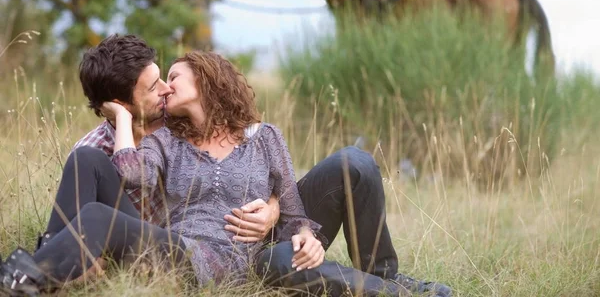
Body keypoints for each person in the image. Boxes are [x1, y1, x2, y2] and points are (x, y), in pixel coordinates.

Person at [0, 51, 451, 296]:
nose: (166, 87)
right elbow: (133, 175)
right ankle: (27, 275)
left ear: (209, 81)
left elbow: (293, 209)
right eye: (159, 83)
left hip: (252, 254)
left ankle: (389, 282)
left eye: (173, 76)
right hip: (189, 253)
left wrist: (294, 225)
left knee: (356, 160)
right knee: (98, 217)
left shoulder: (264, 136)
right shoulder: (162, 139)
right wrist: (120, 120)